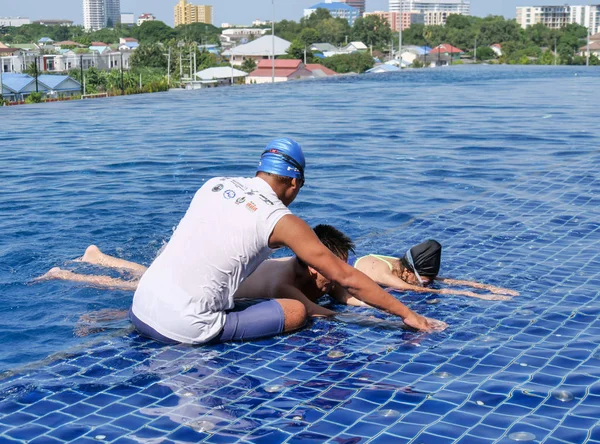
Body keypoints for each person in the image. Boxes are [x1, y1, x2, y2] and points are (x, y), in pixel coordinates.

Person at [54, 138, 446, 345]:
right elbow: (345, 275)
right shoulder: (282, 220)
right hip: (183, 330)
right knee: (295, 310)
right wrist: (408, 315)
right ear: (294, 183)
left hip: (139, 310)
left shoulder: (214, 184)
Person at [38, 224, 355, 314]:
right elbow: (320, 313)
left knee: (150, 273)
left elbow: (350, 292)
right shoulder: (285, 284)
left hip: (214, 273)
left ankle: (98, 257)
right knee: (138, 286)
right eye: (335, 267)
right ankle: (66, 274)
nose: (341, 272)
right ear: (313, 268)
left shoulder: (321, 278)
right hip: (201, 284)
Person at [335, 239, 519, 306]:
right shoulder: (385, 275)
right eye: (423, 281)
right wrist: (472, 295)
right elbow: (417, 290)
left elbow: (439, 279)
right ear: (408, 273)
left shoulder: (404, 267)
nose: (427, 284)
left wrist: (486, 287)